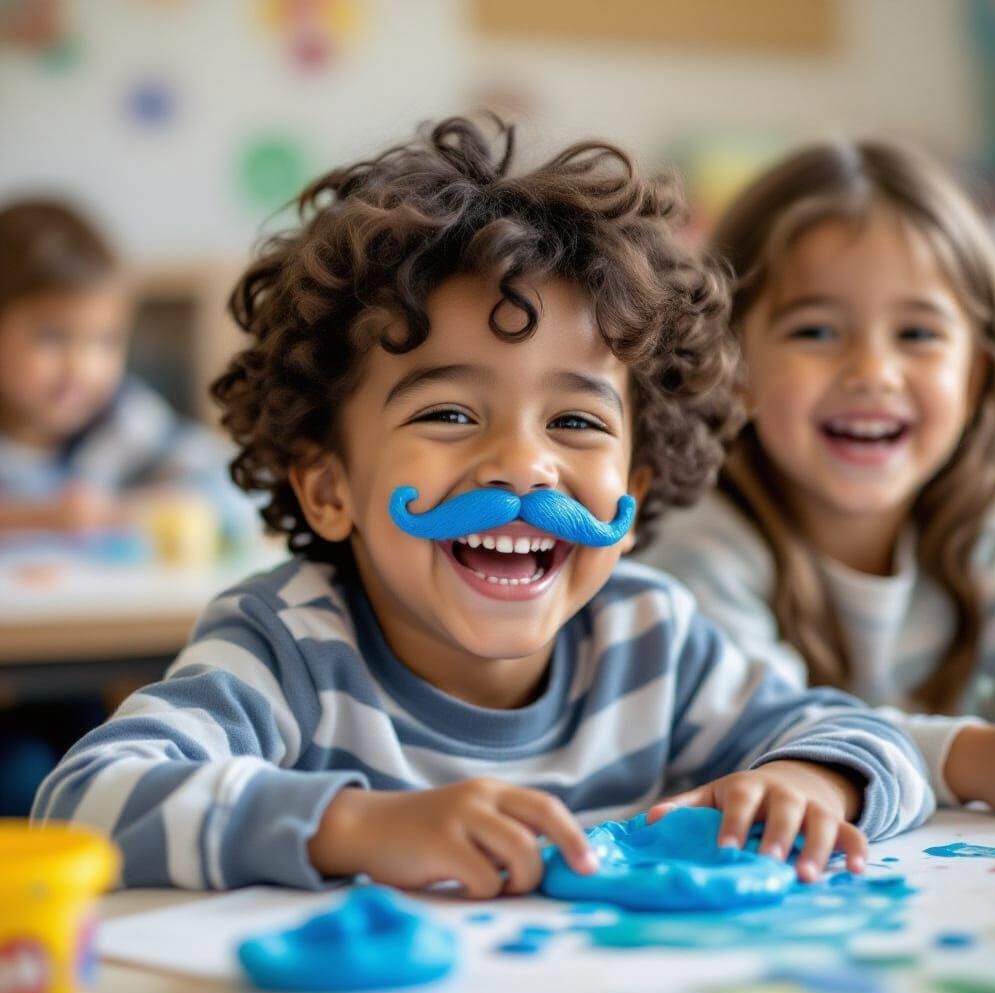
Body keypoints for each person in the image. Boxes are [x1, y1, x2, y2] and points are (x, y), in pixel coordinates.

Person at [33, 118, 934, 894]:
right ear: (329, 485)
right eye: (451, 413)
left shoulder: (651, 639)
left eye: (577, 420)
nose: (523, 466)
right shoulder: (290, 647)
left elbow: (867, 738)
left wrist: (811, 780)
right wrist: (355, 828)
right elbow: (85, 803)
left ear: (637, 484)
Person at [640, 139, 995, 817]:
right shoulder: (700, 546)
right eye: (815, 332)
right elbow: (761, 738)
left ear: (978, 373)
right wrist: (971, 759)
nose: (872, 371)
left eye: (917, 334)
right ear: (731, 369)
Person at [0, 199, 256, 816]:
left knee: (107, 769)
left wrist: (132, 506)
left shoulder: (116, 419)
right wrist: (41, 517)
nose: (81, 366)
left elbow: (231, 485)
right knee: (26, 781)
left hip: (78, 675)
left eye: (103, 340)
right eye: (52, 336)